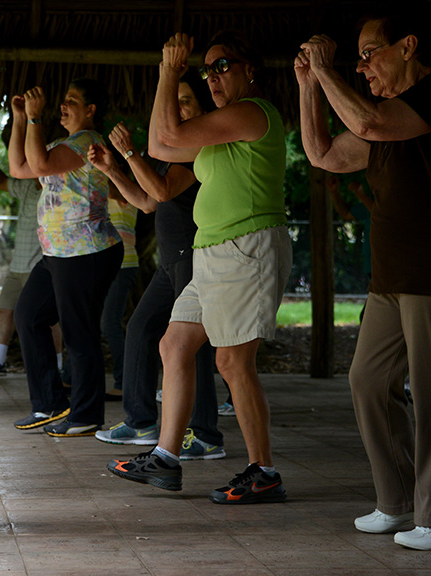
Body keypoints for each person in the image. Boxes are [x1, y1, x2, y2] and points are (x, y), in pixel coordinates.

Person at [295, 6, 431, 550]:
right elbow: (325, 154)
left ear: (408, 46)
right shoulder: (381, 115)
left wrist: (327, 71)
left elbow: (370, 123)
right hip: (391, 276)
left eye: (369, 53)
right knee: (368, 381)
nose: (361, 67)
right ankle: (398, 502)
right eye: (354, 60)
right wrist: (310, 85)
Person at [108, 30, 291, 502]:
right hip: (210, 252)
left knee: (233, 361)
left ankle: (264, 470)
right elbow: (162, 146)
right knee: (174, 344)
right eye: (206, 69)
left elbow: (164, 138)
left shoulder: (253, 113)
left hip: (245, 248)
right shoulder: (217, 131)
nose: (212, 76)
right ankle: (166, 459)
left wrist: (171, 70)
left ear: (251, 69)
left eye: (222, 66)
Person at [88, 71, 226, 460]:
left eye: (186, 101)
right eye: (175, 100)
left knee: (191, 348)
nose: (179, 108)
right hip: (171, 262)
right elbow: (147, 201)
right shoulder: (169, 151)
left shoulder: (200, 147)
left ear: (202, 108)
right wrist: (112, 168)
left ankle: (206, 435)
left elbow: (163, 190)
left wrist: (130, 154)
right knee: (140, 328)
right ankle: (141, 421)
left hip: (194, 258)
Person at [9, 78, 123, 437]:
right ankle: (49, 403)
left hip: (87, 252)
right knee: (28, 315)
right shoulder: (63, 144)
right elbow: (19, 167)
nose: (64, 104)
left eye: (72, 100)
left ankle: (87, 414)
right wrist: (19, 120)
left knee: (78, 332)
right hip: (58, 253)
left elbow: (40, 165)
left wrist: (35, 118)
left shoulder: (88, 141)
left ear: (90, 110)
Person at [0, 134, 66, 376]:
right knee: (5, 308)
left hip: (42, 265)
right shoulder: (25, 185)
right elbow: (1, 181)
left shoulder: (59, 186)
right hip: (18, 266)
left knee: (49, 317)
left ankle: (56, 366)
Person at [100, 195, 139, 401]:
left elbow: (120, 196)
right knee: (90, 321)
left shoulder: (124, 191)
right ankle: (70, 377)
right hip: (103, 266)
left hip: (123, 266)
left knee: (109, 324)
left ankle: (124, 383)